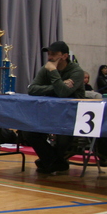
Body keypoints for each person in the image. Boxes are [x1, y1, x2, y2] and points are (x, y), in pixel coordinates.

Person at [23, 41, 85, 174]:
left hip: (71, 115)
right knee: (28, 132)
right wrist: (57, 86)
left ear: (64, 56)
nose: (50, 57)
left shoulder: (76, 71)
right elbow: (32, 89)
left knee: (63, 140)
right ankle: (56, 162)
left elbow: (63, 93)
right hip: (50, 112)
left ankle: (50, 161)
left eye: (54, 54)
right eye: (49, 54)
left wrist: (53, 72)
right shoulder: (46, 68)